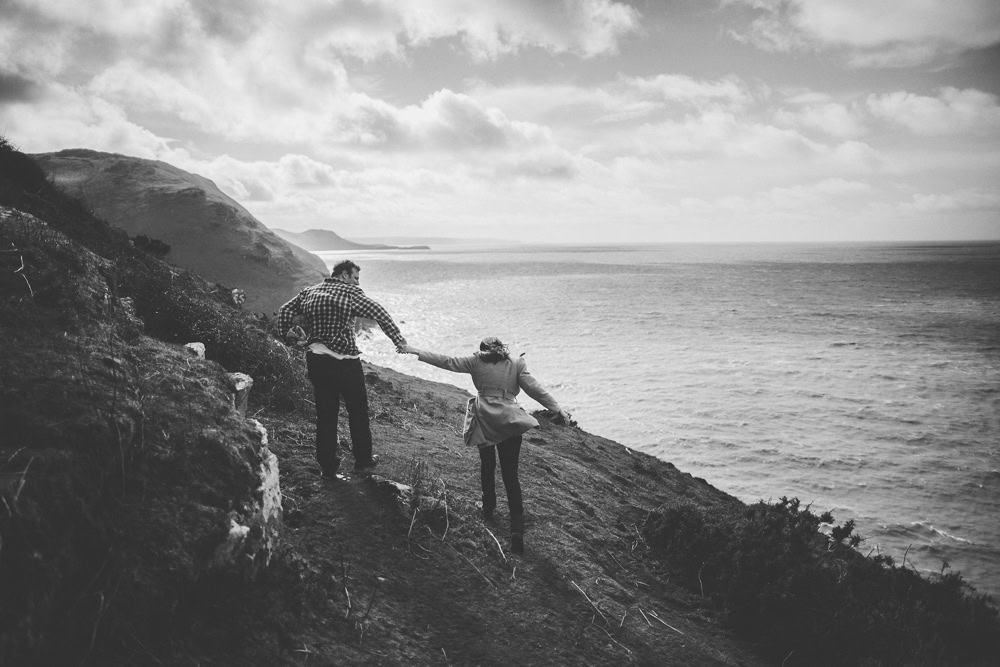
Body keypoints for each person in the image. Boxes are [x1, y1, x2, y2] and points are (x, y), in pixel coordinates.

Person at [401, 337, 572, 555]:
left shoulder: (475, 361)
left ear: (482, 350)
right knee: (511, 475)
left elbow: (447, 361)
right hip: (509, 419)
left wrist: (415, 350)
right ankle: (516, 531)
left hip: (485, 418)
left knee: (487, 465)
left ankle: (488, 509)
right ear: (502, 347)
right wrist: (557, 409)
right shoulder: (516, 363)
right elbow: (535, 390)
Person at [278, 259, 407, 478]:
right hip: (346, 362)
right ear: (344, 275)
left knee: (326, 415)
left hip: (317, 360)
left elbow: (284, 310)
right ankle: (363, 461)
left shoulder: (309, 292)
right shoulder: (351, 294)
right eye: (355, 278)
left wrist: (288, 335)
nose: (357, 283)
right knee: (358, 412)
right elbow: (380, 313)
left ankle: (328, 467)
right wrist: (399, 342)